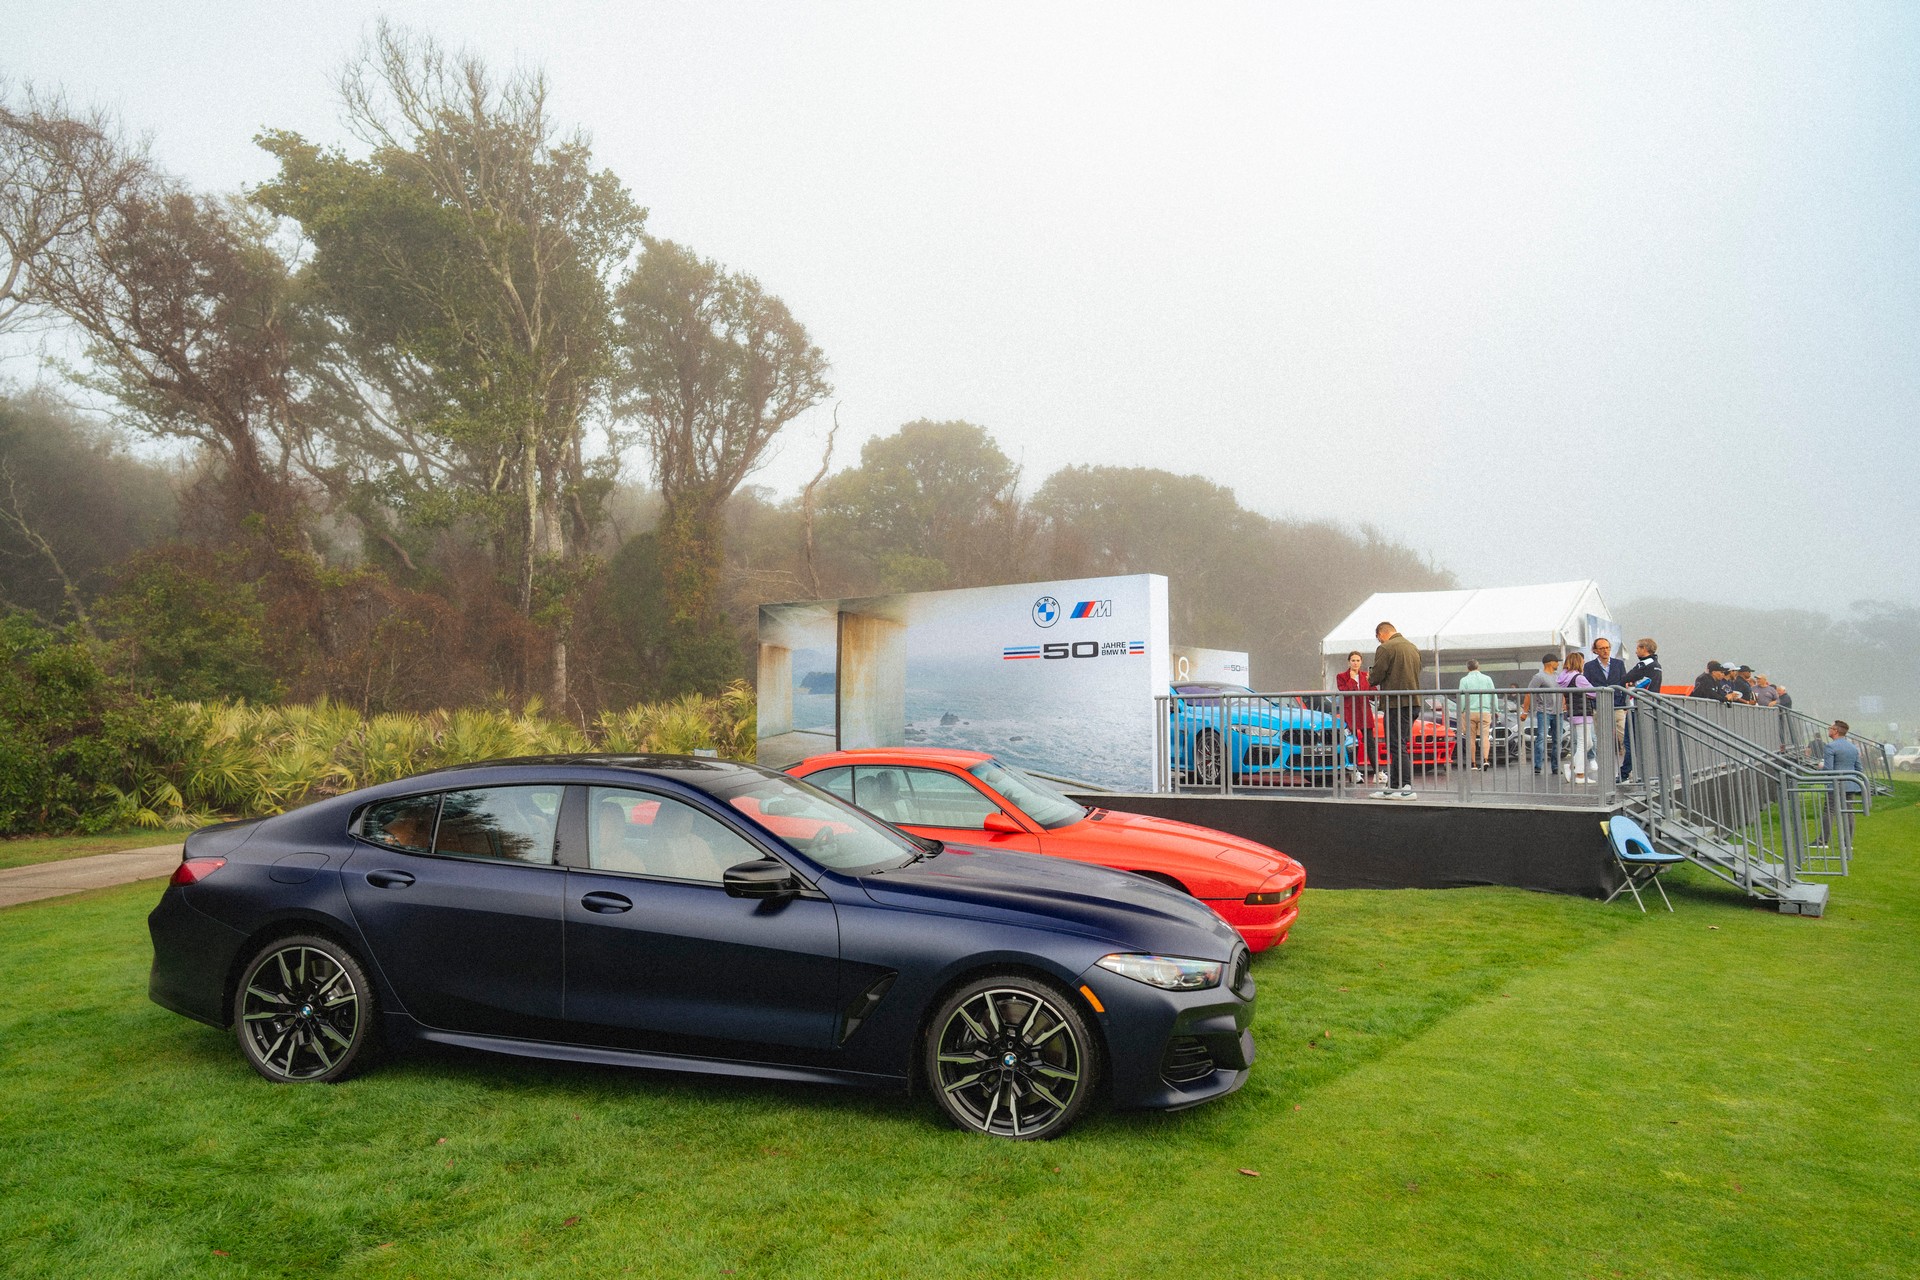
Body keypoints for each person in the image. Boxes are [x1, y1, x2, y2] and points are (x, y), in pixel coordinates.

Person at [1369, 620, 1423, 800]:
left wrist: (1371, 676)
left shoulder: (1386, 648)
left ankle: (1407, 786)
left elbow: (1374, 677)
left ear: (1381, 634)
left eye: (1379, 639)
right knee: (1399, 744)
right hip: (1413, 702)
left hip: (1395, 704)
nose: (1380, 642)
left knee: (1396, 744)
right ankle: (1392, 787)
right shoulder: (1413, 647)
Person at [1336, 650, 1385, 786]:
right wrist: (1351, 679)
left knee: (1370, 742)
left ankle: (1378, 772)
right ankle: (1354, 771)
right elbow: (1345, 692)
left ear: (1361, 662)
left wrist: (1372, 686)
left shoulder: (1365, 676)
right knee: (1352, 743)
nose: (1355, 663)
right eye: (1353, 660)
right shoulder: (1341, 676)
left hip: (1364, 712)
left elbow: (1373, 694)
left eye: (1358, 660)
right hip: (1350, 712)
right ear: (1349, 662)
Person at [1618, 637, 1662, 781]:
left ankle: (1625, 773)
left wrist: (1629, 681)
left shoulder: (1644, 663)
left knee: (1630, 740)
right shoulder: (1657, 664)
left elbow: (1626, 677)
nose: (1636, 651)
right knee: (1642, 741)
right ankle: (1643, 773)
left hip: (1636, 706)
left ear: (1645, 649)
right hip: (1649, 706)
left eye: (1638, 648)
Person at [1816, 720, 1865, 847]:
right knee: (1849, 812)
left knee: (1829, 811)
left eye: (1830, 728)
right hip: (1850, 784)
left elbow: (1828, 769)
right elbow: (1859, 768)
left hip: (1835, 784)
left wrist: (1820, 767)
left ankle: (1823, 841)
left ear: (1836, 731)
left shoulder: (1830, 747)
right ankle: (1847, 843)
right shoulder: (1853, 747)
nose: (1829, 730)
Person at [1585, 639, 1629, 780]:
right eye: (1602, 648)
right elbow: (1587, 686)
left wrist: (1624, 703)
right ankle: (1605, 773)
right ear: (1595, 650)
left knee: (1624, 738)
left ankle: (1627, 771)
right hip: (1599, 706)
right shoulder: (1589, 666)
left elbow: (1624, 684)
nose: (1605, 650)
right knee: (1603, 740)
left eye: (1607, 647)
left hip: (1618, 706)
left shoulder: (1619, 664)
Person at [1557, 649, 1596, 782]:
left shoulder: (1564, 677)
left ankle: (1571, 765)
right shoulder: (1579, 678)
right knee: (1583, 743)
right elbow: (1594, 692)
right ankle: (1580, 775)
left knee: (1587, 742)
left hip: (1574, 712)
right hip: (1583, 712)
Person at [1523, 653, 1563, 774]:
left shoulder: (1558, 676)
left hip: (1559, 712)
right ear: (1551, 662)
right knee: (1541, 737)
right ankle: (1537, 766)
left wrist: (1564, 705)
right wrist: (1525, 711)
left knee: (1558, 739)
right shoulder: (1539, 677)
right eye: (1557, 662)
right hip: (1544, 711)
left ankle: (1555, 767)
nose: (1558, 664)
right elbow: (1529, 692)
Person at [1458, 660, 1497, 769]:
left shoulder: (1464, 680)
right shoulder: (1487, 679)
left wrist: (1462, 710)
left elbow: (1461, 697)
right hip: (1484, 711)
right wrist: (1496, 709)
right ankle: (1485, 759)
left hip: (1470, 712)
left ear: (1467, 668)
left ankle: (1473, 763)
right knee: (1485, 737)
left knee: (1470, 738)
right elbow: (1493, 694)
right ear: (1478, 667)